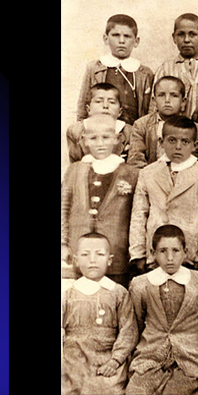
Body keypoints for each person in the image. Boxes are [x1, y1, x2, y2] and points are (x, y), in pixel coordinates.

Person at [129, 115, 198, 277]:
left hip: (188, 253)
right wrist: (138, 253)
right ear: (161, 142)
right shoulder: (148, 173)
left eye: (185, 142)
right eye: (172, 141)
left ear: (194, 145)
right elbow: (138, 214)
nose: (178, 147)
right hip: (157, 251)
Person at [126, 225, 198, 395]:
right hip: (150, 357)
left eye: (176, 251)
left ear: (185, 252)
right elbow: (137, 322)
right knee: (136, 393)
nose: (170, 258)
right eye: (163, 251)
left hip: (188, 359)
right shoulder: (141, 284)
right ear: (153, 252)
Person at [61, 114, 139, 289]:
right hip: (81, 253)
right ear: (84, 141)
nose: (100, 143)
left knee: (115, 297)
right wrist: (63, 243)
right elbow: (63, 208)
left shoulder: (131, 173)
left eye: (106, 137)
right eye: (93, 138)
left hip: (117, 254)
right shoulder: (74, 171)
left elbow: (136, 215)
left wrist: (134, 251)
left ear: (117, 139)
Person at [61, 233, 138, 395]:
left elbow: (128, 331)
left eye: (100, 254)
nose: (92, 260)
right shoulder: (67, 294)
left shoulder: (119, 293)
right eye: (85, 254)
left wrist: (115, 360)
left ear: (109, 260)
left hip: (107, 358)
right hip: (73, 359)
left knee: (108, 390)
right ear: (75, 260)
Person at [150, 13, 198, 125]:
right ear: (174, 38)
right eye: (181, 35)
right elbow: (154, 104)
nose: (186, 40)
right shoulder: (164, 69)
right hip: (172, 129)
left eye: (192, 35)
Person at [76, 14, 154, 125]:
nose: (121, 41)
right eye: (116, 35)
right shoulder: (94, 68)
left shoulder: (145, 73)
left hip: (132, 132)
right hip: (100, 131)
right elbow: (83, 105)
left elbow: (149, 110)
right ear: (106, 39)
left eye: (127, 36)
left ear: (136, 41)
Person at [127, 76, 198, 168]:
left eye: (174, 95)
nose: (167, 100)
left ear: (183, 102)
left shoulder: (196, 130)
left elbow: (196, 164)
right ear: (154, 100)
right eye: (161, 95)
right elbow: (135, 161)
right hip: (149, 177)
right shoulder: (141, 125)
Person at [67, 82, 133, 162]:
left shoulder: (128, 132)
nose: (105, 106)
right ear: (88, 109)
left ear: (120, 112)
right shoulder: (76, 131)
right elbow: (75, 165)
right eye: (98, 101)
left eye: (112, 102)